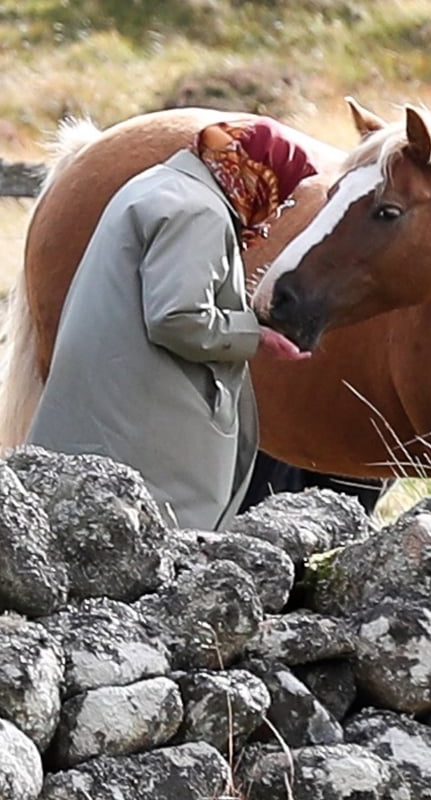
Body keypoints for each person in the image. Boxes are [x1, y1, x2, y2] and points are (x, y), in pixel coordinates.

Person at [27, 118, 317, 530]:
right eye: (281, 195)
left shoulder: (158, 184)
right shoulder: (199, 212)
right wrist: (255, 336)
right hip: (146, 439)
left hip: (109, 415)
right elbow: (178, 318)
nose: (279, 210)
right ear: (257, 176)